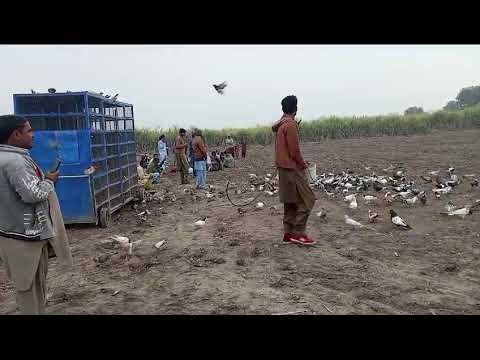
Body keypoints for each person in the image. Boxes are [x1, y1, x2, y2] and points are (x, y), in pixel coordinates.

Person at [0, 115, 73, 314]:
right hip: (24, 239)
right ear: (16, 134)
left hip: (11, 234)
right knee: (30, 289)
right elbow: (33, 194)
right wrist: (50, 181)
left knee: (32, 286)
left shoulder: (10, 158)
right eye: (29, 131)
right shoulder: (14, 162)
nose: (33, 135)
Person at [272, 95, 316, 246]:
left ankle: (288, 234)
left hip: (283, 168)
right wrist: (303, 164)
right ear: (295, 109)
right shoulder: (290, 125)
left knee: (290, 201)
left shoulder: (281, 125)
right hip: (292, 169)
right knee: (308, 199)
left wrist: (301, 161)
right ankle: (299, 234)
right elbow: (294, 151)